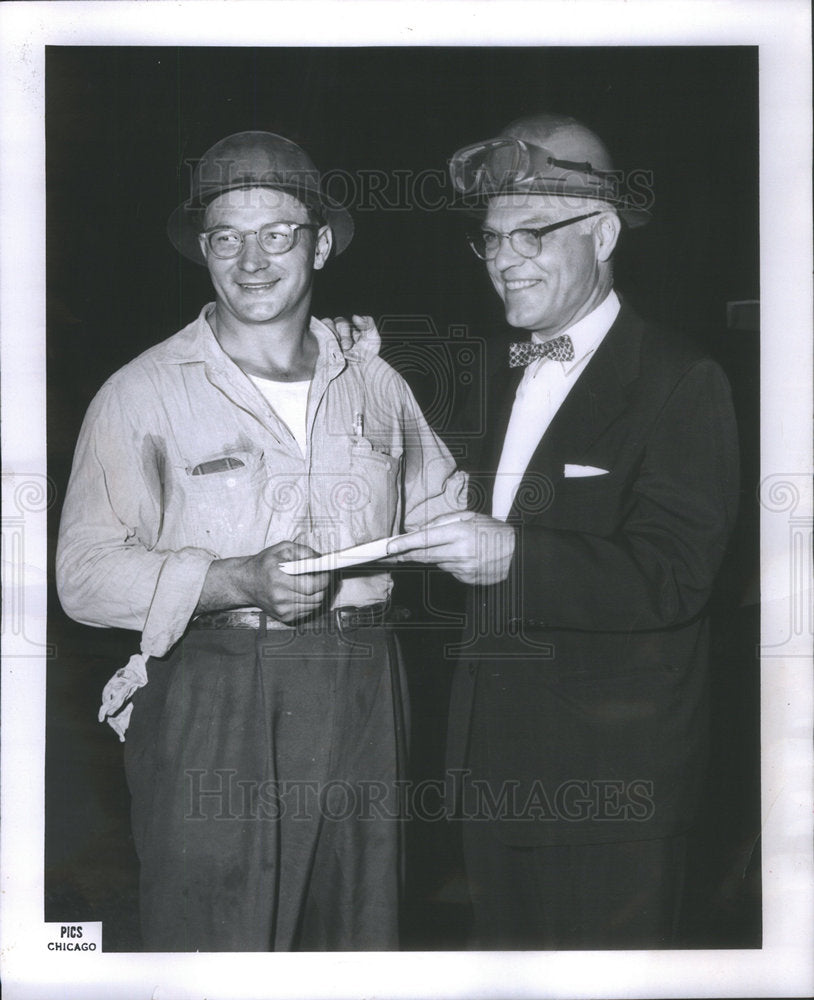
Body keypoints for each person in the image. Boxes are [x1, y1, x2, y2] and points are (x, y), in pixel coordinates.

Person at [56, 130, 467, 952]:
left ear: (317, 245)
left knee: (358, 941)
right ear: (203, 251)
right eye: (227, 237)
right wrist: (235, 578)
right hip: (215, 698)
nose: (252, 259)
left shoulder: (376, 380)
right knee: (221, 943)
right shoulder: (140, 393)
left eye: (276, 233)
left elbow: (443, 508)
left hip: (362, 689)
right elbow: (82, 575)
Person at [387, 114, 740, 948]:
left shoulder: (681, 379)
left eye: (532, 234)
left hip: (611, 793)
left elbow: (676, 573)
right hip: (494, 778)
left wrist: (510, 552)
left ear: (605, 232)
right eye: (491, 240)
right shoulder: (495, 376)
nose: (505, 258)